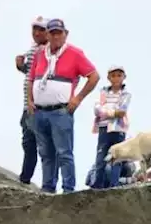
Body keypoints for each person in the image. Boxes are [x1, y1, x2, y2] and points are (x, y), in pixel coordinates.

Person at [26, 18, 99, 194]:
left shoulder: (75, 53)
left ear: (65, 34)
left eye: (59, 33)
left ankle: (68, 189)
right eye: (52, 33)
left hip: (60, 110)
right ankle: (48, 187)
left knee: (64, 152)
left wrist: (78, 98)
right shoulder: (40, 54)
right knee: (46, 153)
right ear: (48, 35)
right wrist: (29, 100)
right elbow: (31, 79)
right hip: (40, 111)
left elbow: (94, 76)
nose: (56, 36)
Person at [15, 17, 48, 185]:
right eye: (34, 29)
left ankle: (48, 184)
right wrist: (21, 65)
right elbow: (31, 74)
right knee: (28, 144)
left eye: (41, 29)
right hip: (27, 105)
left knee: (44, 146)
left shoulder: (49, 50)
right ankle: (25, 178)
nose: (36, 33)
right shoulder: (33, 48)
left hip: (40, 106)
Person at [90, 65, 131, 189]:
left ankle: (114, 185)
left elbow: (122, 111)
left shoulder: (126, 94)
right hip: (104, 128)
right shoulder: (103, 92)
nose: (116, 78)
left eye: (119, 75)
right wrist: (113, 113)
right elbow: (97, 109)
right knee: (101, 156)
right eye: (113, 75)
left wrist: (106, 112)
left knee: (117, 157)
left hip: (118, 129)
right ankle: (98, 184)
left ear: (124, 77)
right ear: (109, 77)